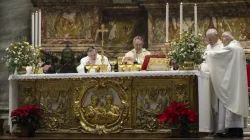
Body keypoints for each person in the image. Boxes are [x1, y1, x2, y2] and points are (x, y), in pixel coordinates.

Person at [206, 31, 249, 138]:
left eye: (223, 38)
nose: (222, 40)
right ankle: (235, 131)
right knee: (235, 102)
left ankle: (233, 131)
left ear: (227, 38)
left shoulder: (231, 48)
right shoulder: (237, 46)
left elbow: (217, 56)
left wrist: (207, 54)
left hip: (231, 82)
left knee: (230, 103)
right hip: (235, 80)